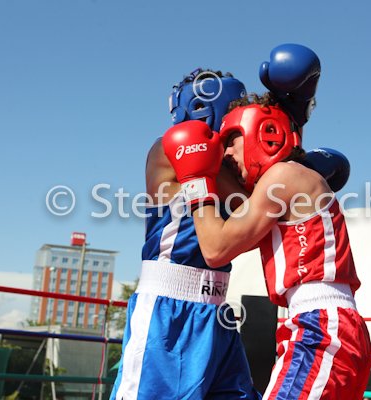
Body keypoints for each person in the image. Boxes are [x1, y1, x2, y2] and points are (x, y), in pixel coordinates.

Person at [162, 93, 371, 399]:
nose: (227, 152)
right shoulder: (285, 183)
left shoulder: (284, 176)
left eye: (231, 140)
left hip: (321, 329)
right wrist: (211, 166)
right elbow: (240, 224)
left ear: (266, 133)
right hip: (327, 326)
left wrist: (197, 178)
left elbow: (216, 249)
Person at [110, 68, 260, 400]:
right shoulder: (171, 146)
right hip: (168, 310)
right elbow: (258, 202)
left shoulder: (232, 165)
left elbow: (257, 224)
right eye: (234, 109)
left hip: (217, 310)